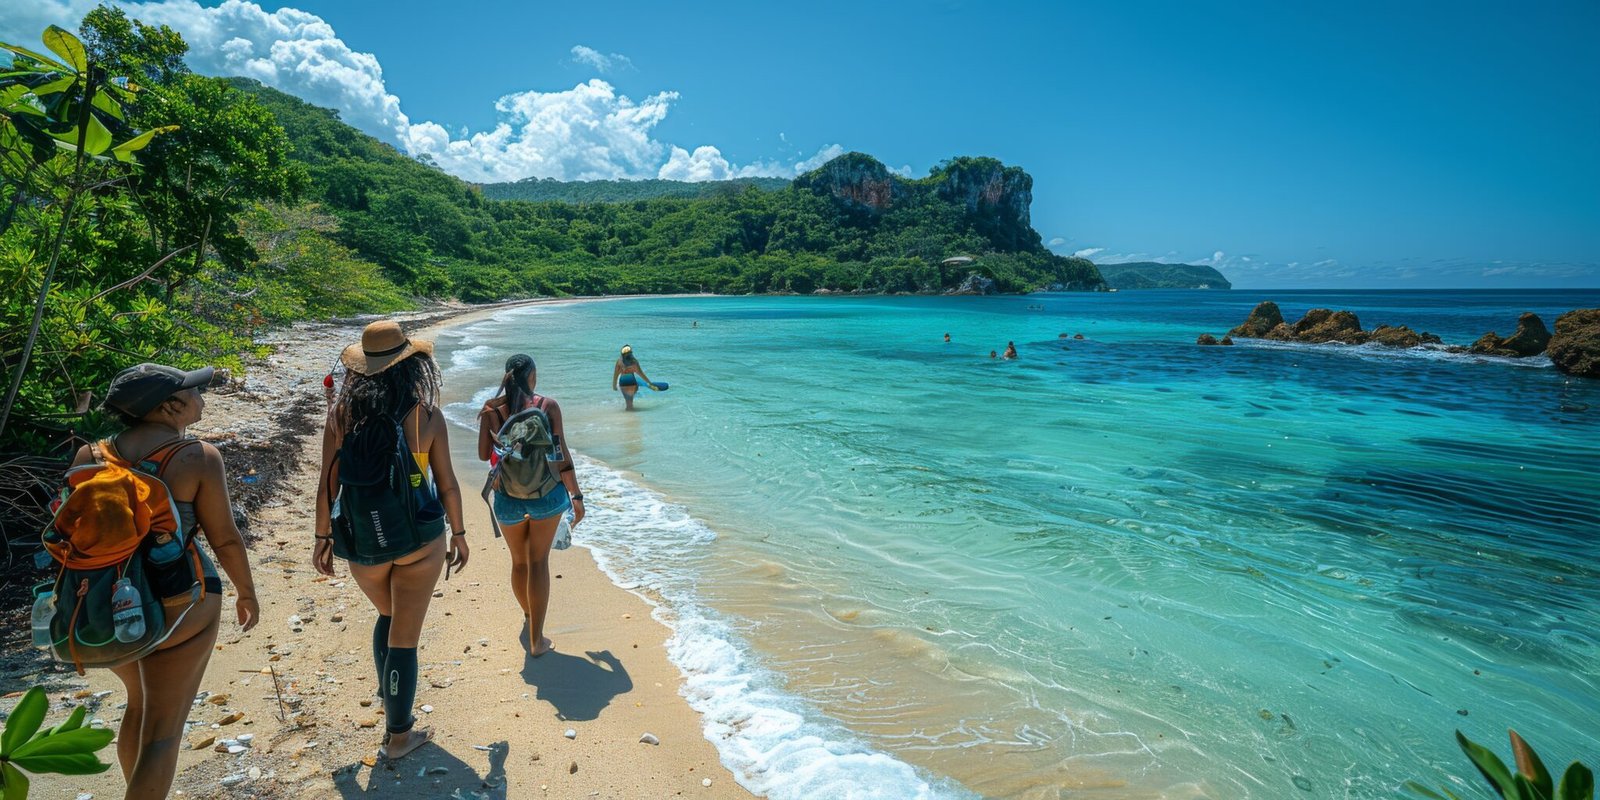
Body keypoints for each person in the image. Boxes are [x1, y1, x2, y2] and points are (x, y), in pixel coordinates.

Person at [77, 363, 259, 799]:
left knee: (139, 707)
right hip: (180, 598)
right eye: (193, 391)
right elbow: (226, 538)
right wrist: (246, 591)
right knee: (164, 730)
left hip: (105, 600)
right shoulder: (196, 456)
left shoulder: (89, 455)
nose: (201, 397)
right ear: (169, 406)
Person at [314, 320, 467, 761]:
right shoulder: (425, 415)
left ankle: (389, 697)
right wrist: (458, 533)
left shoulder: (341, 415)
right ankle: (399, 735)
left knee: (388, 614)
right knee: (405, 636)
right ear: (410, 365)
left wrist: (322, 537)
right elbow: (448, 484)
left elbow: (328, 483)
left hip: (363, 541)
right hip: (419, 538)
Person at [477, 354, 585, 657]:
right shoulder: (547, 406)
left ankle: (528, 614)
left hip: (507, 498)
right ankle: (537, 640)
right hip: (546, 497)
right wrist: (576, 496)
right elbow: (560, 455)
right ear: (532, 375)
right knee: (538, 563)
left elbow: (484, 455)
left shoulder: (491, 409)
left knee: (520, 563)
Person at [611, 345, 657, 411]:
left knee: (628, 402)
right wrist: (649, 383)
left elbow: (615, 375)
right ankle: (630, 416)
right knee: (630, 402)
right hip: (632, 382)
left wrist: (614, 385)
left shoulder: (619, 362)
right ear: (631, 353)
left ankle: (629, 417)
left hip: (623, 383)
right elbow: (641, 374)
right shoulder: (634, 362)